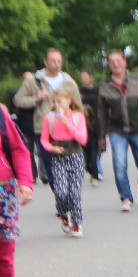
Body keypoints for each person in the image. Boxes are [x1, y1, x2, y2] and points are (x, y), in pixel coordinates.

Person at [97, 50, 138, 212]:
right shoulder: (104, 87)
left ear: (125, 62)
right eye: (112, 61)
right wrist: (101, 136)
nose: (115, 64)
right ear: (108, 65)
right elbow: (101, 114)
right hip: (117, 131)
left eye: (118, 60)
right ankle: (126, 198)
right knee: (119, 165)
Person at [13, 48, 82, 186]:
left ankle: (67, 191)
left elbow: (78, 105)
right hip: (43, 128)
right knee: (50, 168)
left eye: (59, 61)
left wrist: (78, 123)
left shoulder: (68, 82)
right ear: (45, 61)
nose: (56, 64)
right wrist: (36, 99)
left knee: (68, 165)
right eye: (53, 61)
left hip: (66, 129)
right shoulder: (33, 81)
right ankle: (59, 191)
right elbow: (17, 100)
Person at [0, 103, 36, 277]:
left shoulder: (0, 114)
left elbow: (18, 148)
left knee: (4, 253)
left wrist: (25, 182)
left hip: (3, 191)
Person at [40, 89, 88, 238]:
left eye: (60, 101)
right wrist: (51, 148)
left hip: (75, 157)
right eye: (55, 102)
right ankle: (63, 213)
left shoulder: (77, 117)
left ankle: (77, 223)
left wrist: (67, 124)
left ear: (69, 101)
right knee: (60, 192)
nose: (58, 104)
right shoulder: (49, 118)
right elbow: (44, 140)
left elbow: (83, 139)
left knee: (74, 193)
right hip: (58, 158)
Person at [78, 70, 102, 185]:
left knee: (94, 152)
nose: (83, 79)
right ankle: (91, 169)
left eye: (85, 76)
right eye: (82, 77)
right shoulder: (79, 91)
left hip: (95, 125)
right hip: (82, 124)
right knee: (85, 155)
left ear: (91, 78)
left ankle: (96, 174)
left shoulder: (97, 91)